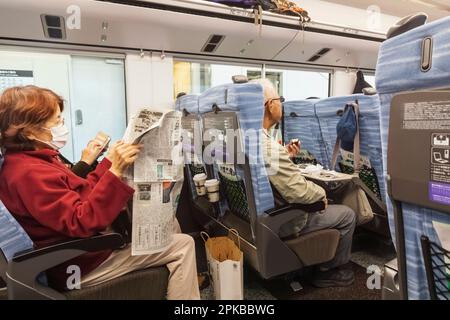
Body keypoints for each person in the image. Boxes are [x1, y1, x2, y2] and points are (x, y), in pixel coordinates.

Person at [0, 85, 200, 299]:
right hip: (80, 263)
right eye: (57, 121)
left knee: (171, 224)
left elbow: (80, 192)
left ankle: (174, 284)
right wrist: (115, 172)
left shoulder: (36, 159)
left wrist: (109, 163)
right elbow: (81, 221)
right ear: (30, 132)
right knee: (183, 246)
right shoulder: (28, 173)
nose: (62, 125)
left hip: (82, 253)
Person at [253, 79, 357, 288]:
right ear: (269, 105)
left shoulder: (251, 139)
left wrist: (286, 156)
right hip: (286, 219)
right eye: (279, 99)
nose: (281, 104)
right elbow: (299, 194)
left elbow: (271, 170)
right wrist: (321, 195)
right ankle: (327, 270)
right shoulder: (268, 148)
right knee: (347, 214)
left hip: (262, 216)